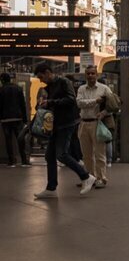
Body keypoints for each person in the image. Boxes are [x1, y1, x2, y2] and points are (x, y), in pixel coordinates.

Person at [33, 62, 96, 199]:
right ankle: (51, 188)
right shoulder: (48, 87)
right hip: (56, 125)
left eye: (41, 76)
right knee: (49, 156)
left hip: (66, 124)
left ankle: (86, 176)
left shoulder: (64, 82)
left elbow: (70, 100)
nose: (41, 80)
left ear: (48, 72)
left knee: (61, 154)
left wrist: (51, 102)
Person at [77, 65, 114, 189]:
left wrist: (104, 113)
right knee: (86, 154)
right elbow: (79, 103)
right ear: (85, 75)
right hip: (83, 123)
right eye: (88, 74)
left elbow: (114, 104)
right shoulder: (81, 89)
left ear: (96, 75)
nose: (90, 76)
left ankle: (101, 178)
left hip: (97, 124)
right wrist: (95, 101)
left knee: (99, 153)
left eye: (93, 73)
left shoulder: (104, 89)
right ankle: (89, 178)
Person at [0, 72, 29, 167]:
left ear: (2, 80)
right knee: (20, 139)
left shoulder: (1, 90)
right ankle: (24, 161)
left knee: (8, 140)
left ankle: (11, 161)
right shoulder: (18, 88)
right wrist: (25, 119)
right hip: (18, 118)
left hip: (5, 119)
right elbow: (22, 104)